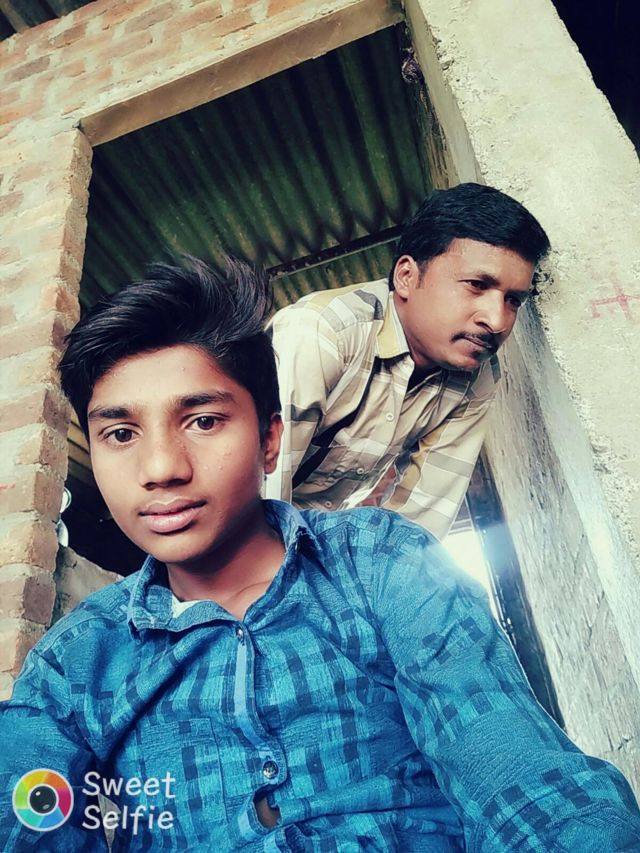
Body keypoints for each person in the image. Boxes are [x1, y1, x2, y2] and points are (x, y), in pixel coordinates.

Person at [1, 256, 639, 852]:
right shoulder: (73, 664)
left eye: (204, 421)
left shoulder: (384, 565)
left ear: (269, 439)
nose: (162, 468)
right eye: (120, 433)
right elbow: (24, 818)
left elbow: (519, 774)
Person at [266, 183, 550, 539]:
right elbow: (256, 493)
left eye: (513, 301)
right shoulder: (322, 333)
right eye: (477, 285)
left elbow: (423, 520)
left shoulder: (478, 377)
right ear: (406, 277)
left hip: (319, 531)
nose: (497, 321)